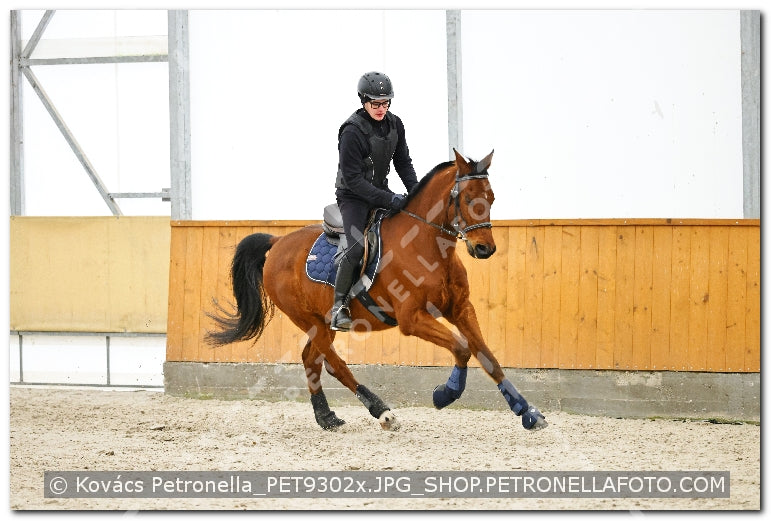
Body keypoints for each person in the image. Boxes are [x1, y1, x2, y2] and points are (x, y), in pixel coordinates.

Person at [330, 71, 419, 331]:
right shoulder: (351, 132)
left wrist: (415, 193)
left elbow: (403, 163)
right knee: (356, 248)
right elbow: (354, 180)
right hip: (353, 197)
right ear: (363, 101)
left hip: (380, 191)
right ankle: (339, 307)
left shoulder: (395, 124)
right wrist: (390, 199)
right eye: (375, 103)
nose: (381, 108)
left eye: (386, 103)